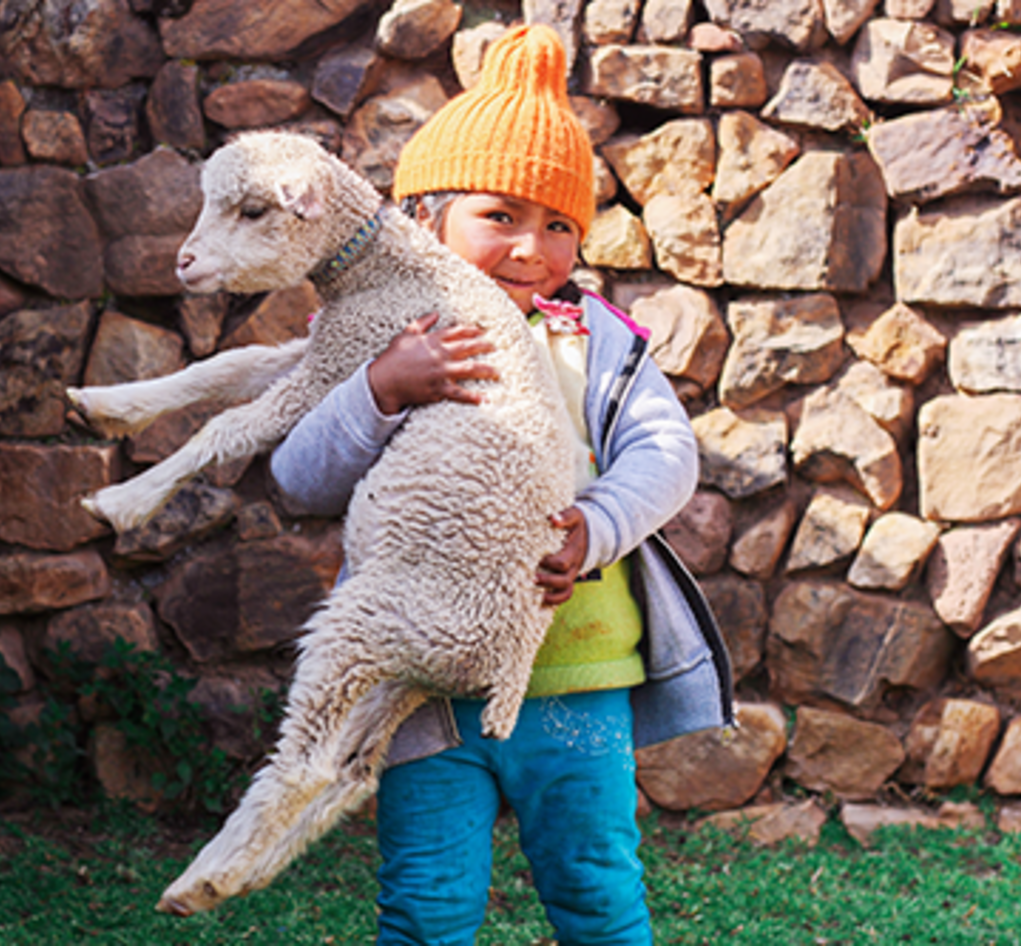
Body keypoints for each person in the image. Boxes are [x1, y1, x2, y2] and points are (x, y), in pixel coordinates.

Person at [270, 23, 734, 945]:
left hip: (576, 682)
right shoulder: (381, 345)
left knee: (597, 894)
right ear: (424, 221)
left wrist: (595, 528)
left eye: (559, 225)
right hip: (422, 687)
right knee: (425, 904)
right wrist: (380, 389)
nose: (532, 246)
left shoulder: (595, 341)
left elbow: (665, 454)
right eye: (501, 215)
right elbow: (298, 479)